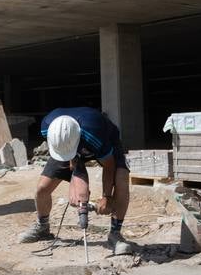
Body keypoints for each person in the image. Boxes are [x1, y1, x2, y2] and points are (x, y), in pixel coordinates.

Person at [18, 107, 137, 255]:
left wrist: (107, 196)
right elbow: (70, 160)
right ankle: (43, 227)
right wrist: (74, 177)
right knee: (42, 188)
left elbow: (109, 165)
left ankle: (115, 234)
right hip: (67, 146)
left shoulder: (94, 133)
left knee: (121, 180)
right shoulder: (47, 127)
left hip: (105, 141)